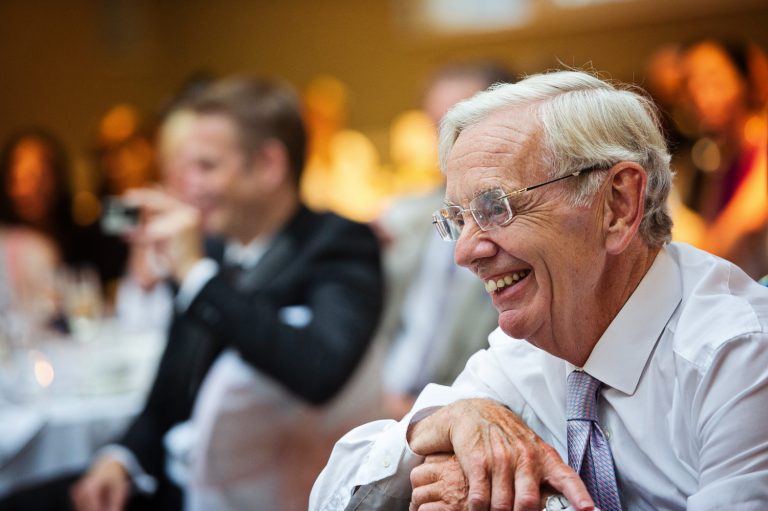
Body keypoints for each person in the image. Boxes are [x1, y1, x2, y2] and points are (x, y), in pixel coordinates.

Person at [310, 70, 768, 511]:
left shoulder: (738, 356)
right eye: (458, 219)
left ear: (617, 205)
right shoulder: (529, 348)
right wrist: (445, 420)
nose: (465, 253)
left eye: (495, 207)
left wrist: (546, 505)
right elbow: (331, 497)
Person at [1, 76, 383, 511]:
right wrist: (122, 459)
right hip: (162, 476)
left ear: (268, 165)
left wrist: (196, 275)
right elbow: (170, 383)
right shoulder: (215, 249)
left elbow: (319, 370)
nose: (189, 185)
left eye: (206, 166)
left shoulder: (336, 242)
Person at [376, 62, 514, 419]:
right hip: (382, 400)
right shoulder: (410, 216)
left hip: (464, 408)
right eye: (435, 127)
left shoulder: (521, 224)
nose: (445, 145)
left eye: (461, 127)